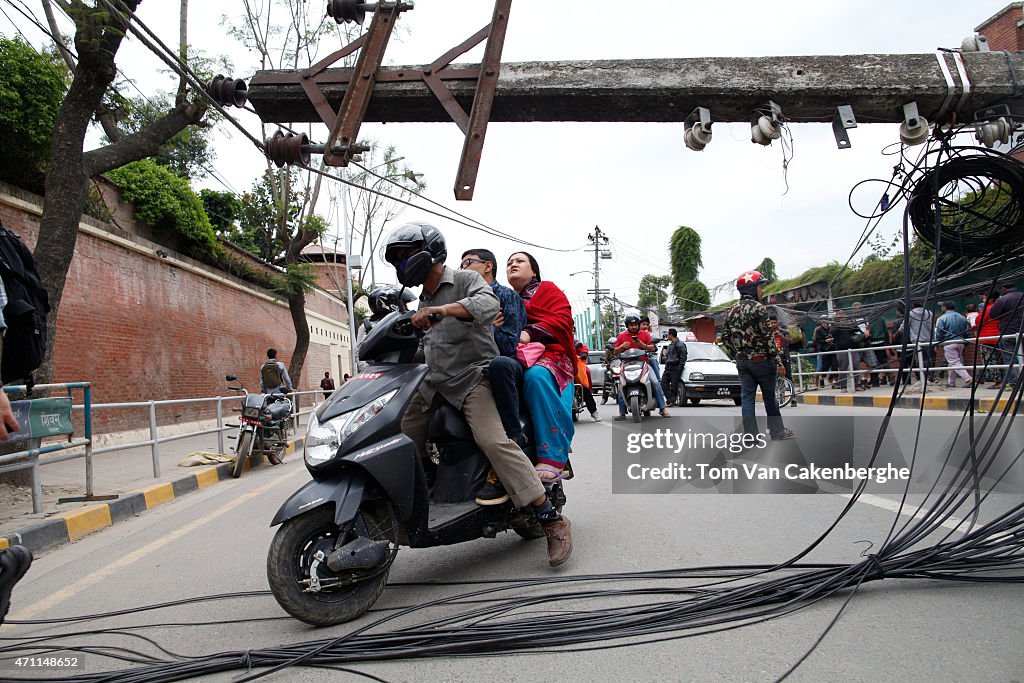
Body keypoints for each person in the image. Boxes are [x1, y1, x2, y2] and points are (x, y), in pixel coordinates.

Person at [383, 223, 572, 566]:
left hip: (472, 378)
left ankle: (549, 517)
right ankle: (426, 480)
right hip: (432, 383)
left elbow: (486, 305)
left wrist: (442, 311)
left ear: (430, 253)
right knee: (395, 432)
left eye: (407, 254)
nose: (403, 262)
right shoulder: (420, 300)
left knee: (494, 441)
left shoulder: (466, 281)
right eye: (398, 257)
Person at [505, 251, 577, 481]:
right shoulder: (501, 297)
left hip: (551, 355)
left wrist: (529, 332)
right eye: (509, 263)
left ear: (533, 270)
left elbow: (562, 320)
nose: (513, 264)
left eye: (519, 261)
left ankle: (553, 455)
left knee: (536, 376)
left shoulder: (548, 290)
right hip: (510, 356)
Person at [460, 248, 529, 446]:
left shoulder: (506, 296)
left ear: (487, 266)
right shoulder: (461, 302)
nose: (462, 269)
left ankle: (514, 436)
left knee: (500, 364)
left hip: (504, 365)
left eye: (467, 263)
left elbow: (508, 345)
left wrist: (484, 327)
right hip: (469, 364)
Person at [721, 270, 793, 440]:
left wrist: (738, 352)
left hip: (743, 363)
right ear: (752, 289)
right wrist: (778, 361)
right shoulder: (759, 308)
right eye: (760, 287)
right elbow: (768, 337)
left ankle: (750, 436)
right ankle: (777, 432)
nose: (762, 291)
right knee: (770, 398)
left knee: (747, 399)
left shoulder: (731, 310)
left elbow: (725, 337)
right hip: (762, 362)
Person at [613, 315, 670, 419]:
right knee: (621, 384)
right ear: (627, 326)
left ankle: (663, 408)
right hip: (626, 365)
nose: (634, 327)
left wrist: (642, 345)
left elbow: (652, 348)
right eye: (631, 325)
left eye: (635, 325)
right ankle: (622, 412)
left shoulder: (644, 334)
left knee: (655, 382)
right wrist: (621, 347)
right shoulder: (621, 336)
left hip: (644, 363)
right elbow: (615, 352)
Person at [988, 283, 1024, 388]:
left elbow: (993, 314)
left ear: (1004, 288)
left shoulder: (1003, 299)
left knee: (1010, 358)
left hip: (1008, 332)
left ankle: (1014, 383)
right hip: (1022, 332)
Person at [934, 301, 972, 388]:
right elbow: (967, 331)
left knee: (954, 362)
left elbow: (938, 333)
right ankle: (951, 382)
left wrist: (937, 343)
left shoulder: (942, 318)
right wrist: (966, 343)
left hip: (949, 343)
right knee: (953, 363)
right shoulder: (962, 317)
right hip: (961, 342)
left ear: (945, 307)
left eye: (942, 306)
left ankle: (968, 379)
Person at [977, 290, 1002, 387]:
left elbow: (978, 321)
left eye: (985, 297)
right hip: (1000, 336)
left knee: (990, 360)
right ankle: (1004, 379)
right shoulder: (1002, 306)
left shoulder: (987, 309)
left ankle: (997, 381)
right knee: (1001, 359)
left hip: (988, 338)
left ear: (990, 298)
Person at [660, 328, 688, 406]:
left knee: (674, 385)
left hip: (676, 367)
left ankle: (671, 401)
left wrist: (680, 367)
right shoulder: (670, 345)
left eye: (668, 334)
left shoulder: (680, 344)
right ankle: (671, 399)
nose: (667, 336)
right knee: (663, 383)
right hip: (668, 367)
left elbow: (683, 357)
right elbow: (668, 356)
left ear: (671, 335)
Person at [574, 342, 600, 421]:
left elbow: (583, 349)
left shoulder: (576, 342)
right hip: (561, 368)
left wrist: (584, 354)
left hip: (576, 369)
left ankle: (594, 412)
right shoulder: (558, 340)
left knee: (586, 391)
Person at [810, 319, 835, 388]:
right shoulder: (818, 330)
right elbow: (815, 340)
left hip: (830, 349)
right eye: (825, 321)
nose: (826, 323)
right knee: (819, 367)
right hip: (822, 349)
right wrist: (825, 341)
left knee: (832, 367)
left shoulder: (831, 329)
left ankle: (832, 382)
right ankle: (817, 382)